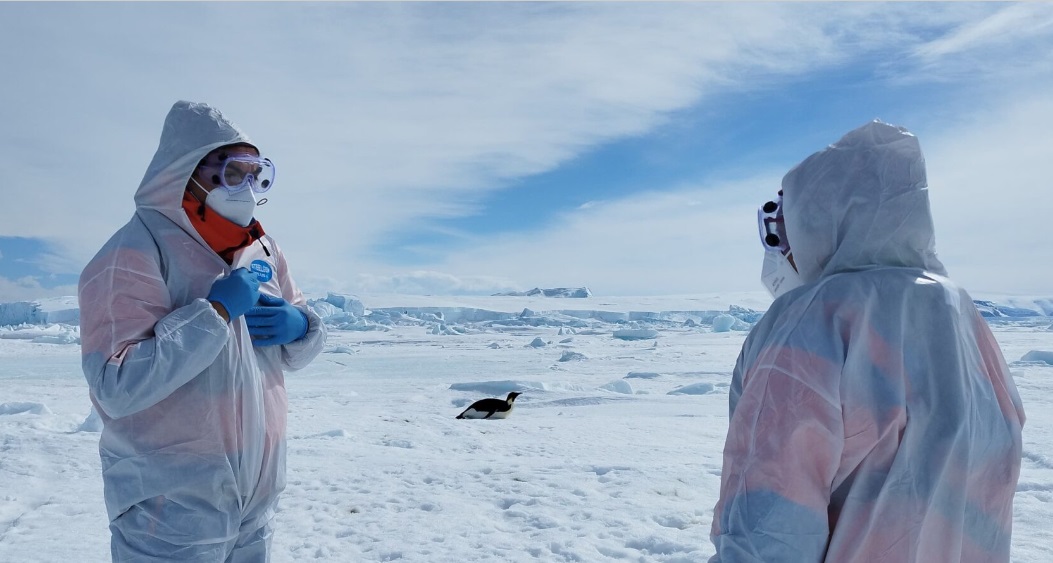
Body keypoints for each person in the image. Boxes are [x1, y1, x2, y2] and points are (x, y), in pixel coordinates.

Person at [709, 120, 1025, 562]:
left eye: (789, 232)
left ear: (820, 222)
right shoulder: (960, 314)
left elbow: (769, 522)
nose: (785, 254)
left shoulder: (811, 320)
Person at [79, 100, 327, 561]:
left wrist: (301, 328)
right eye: (234, 173)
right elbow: (116, 384)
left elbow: (295, 345)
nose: (248, 188)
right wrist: (214, 313)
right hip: (168, 506)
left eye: (258, 175)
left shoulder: (262, 250)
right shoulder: (133, 253)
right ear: (186, 174)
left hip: (255, 494)